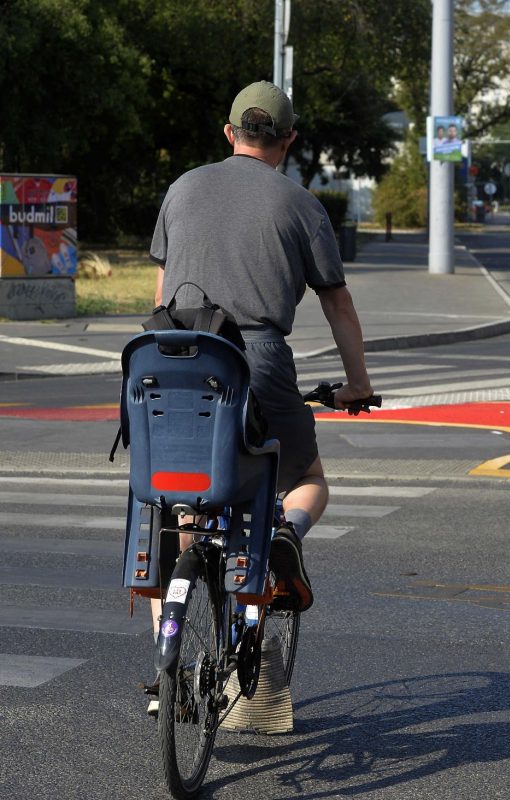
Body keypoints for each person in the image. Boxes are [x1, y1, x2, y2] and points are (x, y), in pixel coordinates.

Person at [149, 80, 374, 615]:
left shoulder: (181, 188)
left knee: (185, 495)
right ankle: (286, 536)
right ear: (288, 139)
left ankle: (171, 655)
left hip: (174, 357)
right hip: (256, 359)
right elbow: (337, 303)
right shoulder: (301, 205)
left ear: (229, 133)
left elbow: (160, 291)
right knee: (306, 478)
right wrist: (358, 385)